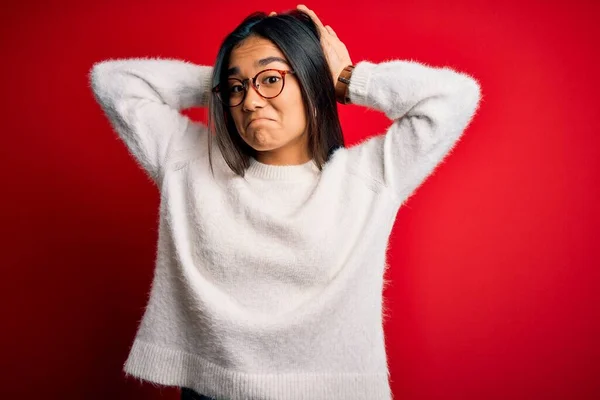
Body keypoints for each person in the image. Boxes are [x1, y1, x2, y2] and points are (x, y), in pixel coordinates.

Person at [89, 4, 481, 400]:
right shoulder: (189, 163)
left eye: (272, 78)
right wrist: (222, 78)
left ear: (313, 80)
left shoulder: (368, 177)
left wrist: (346, 79)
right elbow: (113, 82)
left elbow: (454, 98)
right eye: (238, 89)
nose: (251, 102)